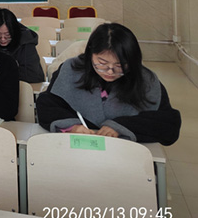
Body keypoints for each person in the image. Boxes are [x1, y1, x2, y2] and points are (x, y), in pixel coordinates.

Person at [36, 23, 181, 145]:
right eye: (102, 63)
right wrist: (72, 126)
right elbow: (47, 104)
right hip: (77, 147)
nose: (110, 71)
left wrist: (121, 127)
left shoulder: (146, 80)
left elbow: (169, 124)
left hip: (125, 152)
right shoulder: (71, 69)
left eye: (120, 65)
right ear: (90, 53)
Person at [0, 7, 44, 83]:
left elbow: (32, 75)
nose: (3, 39)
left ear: (14, 31)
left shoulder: (26, 42)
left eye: (7, 35)